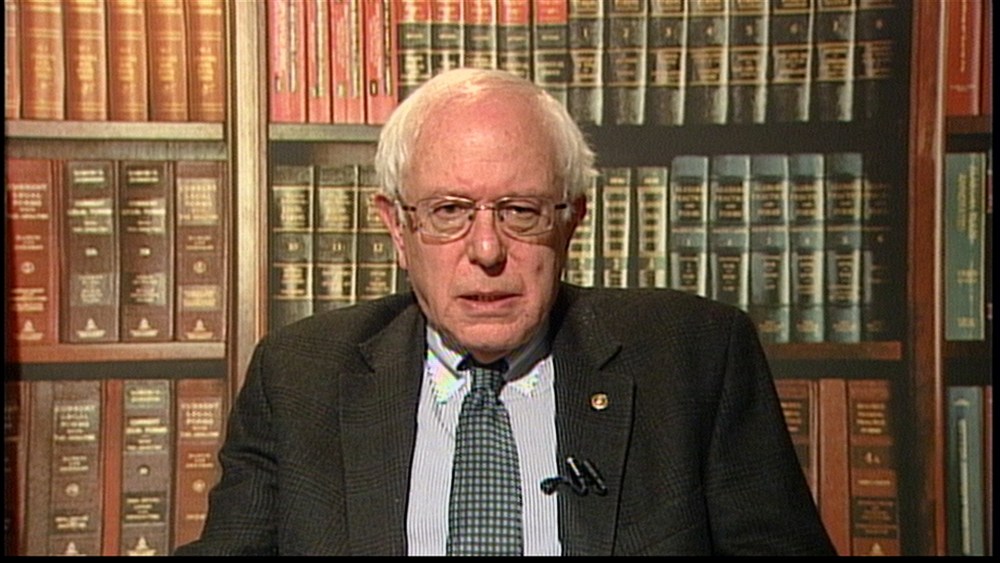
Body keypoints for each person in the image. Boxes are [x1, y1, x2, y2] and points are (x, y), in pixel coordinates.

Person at [174, 68, 835, 556]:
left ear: (571, 220)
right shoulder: (300, 377)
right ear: (398, 227)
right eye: (449, 211)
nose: (487, 250)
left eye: (520, 211)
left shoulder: (694, 359)